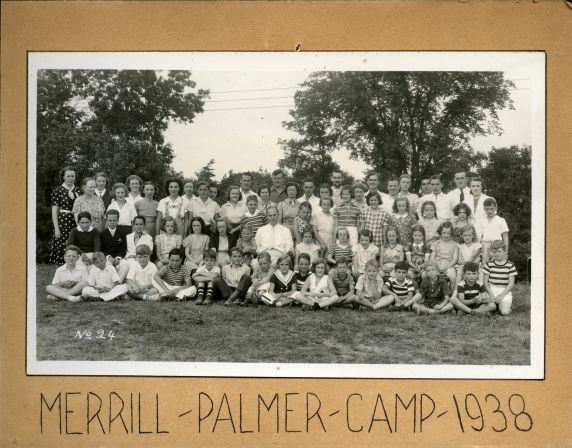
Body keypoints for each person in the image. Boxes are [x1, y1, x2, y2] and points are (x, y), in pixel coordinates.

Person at [49, 166, 82, 265]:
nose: (71, 178)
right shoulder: (58, 191)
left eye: (73, 176)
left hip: (76, 220)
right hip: (63, 221)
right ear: (63, 177)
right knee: (63, 243)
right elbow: (54, 211)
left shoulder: (79, 191)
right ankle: (62, 267)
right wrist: (56, 228)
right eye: (68, 176)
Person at [483, 240, 517, 315]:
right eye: (495, 252)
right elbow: (485, 281)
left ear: (504, 251)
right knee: (491, 306)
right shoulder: (489, 264)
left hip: (504, 290)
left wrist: (502, 296)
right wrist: (491, 294)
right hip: (491, 289)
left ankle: (505, 306)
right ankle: (493, 306)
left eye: (499, 251)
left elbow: (511, 283)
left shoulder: (510, 265)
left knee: (505, 312)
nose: (497, 254)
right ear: (492, 252)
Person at [475, 197, 509, 264]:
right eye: (487, 209)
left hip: (498, 245)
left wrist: (506, 251)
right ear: (484, 209)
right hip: (485, 245)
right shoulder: (481, 221)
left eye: (491, 208)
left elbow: (505, 236)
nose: (489, 211)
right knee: (485, 265)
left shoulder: (501, 220)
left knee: (497, 264)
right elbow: (479, 237)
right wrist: (478, 249)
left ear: (495, 208)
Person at [99, 210, 130, 282]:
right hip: (107, 258)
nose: (112, 222)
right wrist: (108, 257)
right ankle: (108, 283)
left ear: (118, 220)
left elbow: (123, 249)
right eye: (110, 220)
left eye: (114, 220)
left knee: (125, 264)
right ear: (106, 220)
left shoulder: (123, 233)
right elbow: (101, 249)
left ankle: (118, 283)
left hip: (118, 257)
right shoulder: (101, 234)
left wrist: (118, 258)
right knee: (107, 265)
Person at [430, 222, 459, 290]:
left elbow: (455, 259)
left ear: (451, 233)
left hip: (449, 265)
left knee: (452, 276)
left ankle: (452, 295)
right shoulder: (435, 244)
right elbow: (432, 258)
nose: (446, 235)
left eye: (448, 233)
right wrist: (438, 266)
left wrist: (446, 267)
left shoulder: (455, 245)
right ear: (440, 233)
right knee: (428, 274)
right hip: (437, 265)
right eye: (444, 233)